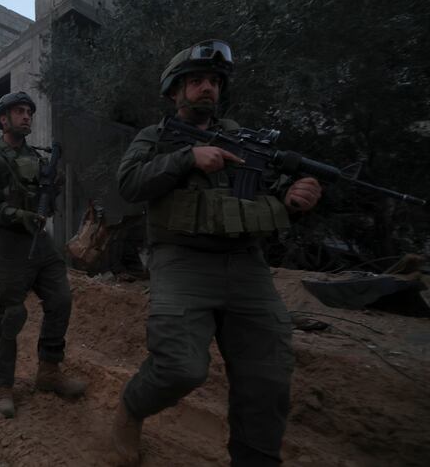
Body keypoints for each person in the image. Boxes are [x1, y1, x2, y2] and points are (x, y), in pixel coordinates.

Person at [111, 40, 322, 466]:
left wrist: (296, 197)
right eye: (195, 81)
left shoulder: (244, 139)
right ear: (175, 91)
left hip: (247, 266)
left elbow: (267, 191)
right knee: (180, 368)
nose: (207, 88)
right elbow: (129, 184)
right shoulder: (155, 137)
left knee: (267, 378)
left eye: (213, 82)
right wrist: (187, 158)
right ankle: (131, 410)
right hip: (182, 262)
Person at [0, 91, 86, 419]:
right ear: (3, 119)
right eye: (19, 112)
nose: (26, 117)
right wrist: (15, 215)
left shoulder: (37, 157)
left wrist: (54, 183)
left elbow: (45, 193)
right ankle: (4, 386)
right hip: (8, 247)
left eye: (28, 112)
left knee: (60, 300)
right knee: (13, 315)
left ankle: (49, 372)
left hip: (40, 245)